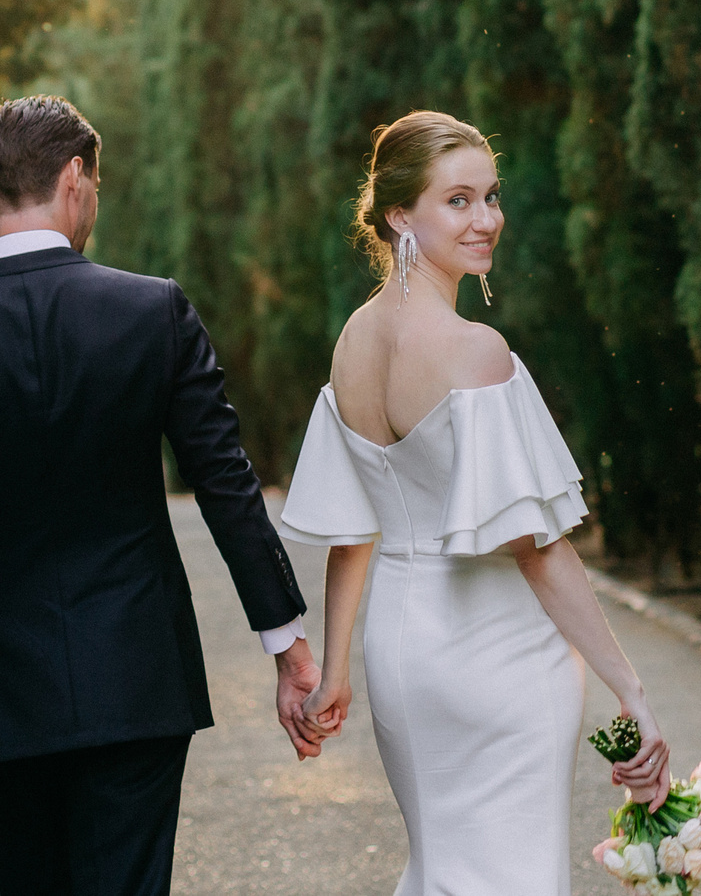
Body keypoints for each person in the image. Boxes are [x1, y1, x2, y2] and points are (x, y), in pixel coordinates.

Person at [0, 94, 320, 896]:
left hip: (2, 697)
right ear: (75, 177)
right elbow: (224, 480)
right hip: (138, 681)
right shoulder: (154, 310)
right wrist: (286, 643)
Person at [279, 109, 673, 896]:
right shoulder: (476, 351)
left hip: (402, 653)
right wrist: (631, 690)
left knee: (443, 867)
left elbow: (355, 530)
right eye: (457, 200)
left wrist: (338, 667)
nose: (486, 218)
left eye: (491, 196)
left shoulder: (352, 341)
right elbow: (537, 549)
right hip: (499, 656)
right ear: (400, 214)